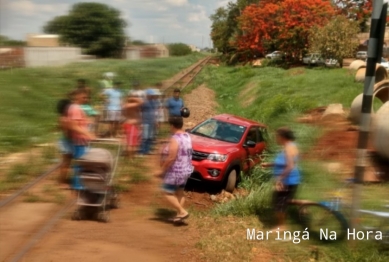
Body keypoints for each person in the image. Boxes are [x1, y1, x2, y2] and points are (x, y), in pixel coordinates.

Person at [155, 116, 193, 223]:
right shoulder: (187, 136)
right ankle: (179, 217)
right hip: (186, 170)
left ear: (172, 125)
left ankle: (182, 211)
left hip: (176, 171)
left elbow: (172, 157)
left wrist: (162, 170)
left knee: (167, 192)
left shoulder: (175, 138)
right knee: (180, 192)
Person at [261, 127, 300, 231]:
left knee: (279, 204)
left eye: (277, 136)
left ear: (282, 137)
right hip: (291, 180)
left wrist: (280, 179)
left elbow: (290, 166)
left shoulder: (288, 148)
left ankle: (281, 226)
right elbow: (284, 163)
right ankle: (302, 206)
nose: (276, 138)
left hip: (288, 181)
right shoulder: (291, 146)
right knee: (281, 201)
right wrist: (269, 164)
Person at [67, 89, 96, 190]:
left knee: (81, 162)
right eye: (84, 97)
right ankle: (78, 184)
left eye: (86, 97)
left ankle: (78, 183)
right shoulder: (75, 108)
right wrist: (88, 134)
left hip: (80, 139)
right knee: (81, 162)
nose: (86, 99)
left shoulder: (74, 107)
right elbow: (74, 126)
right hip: (80, 140)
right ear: (77, 96)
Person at [122, 91, 144, 160]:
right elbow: (142, 102)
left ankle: (131, 156)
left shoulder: (129, 105)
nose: (136, 98)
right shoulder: (129, 105)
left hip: (134, 125)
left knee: (133, 142)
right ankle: (130, 158)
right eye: (134, 96)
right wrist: (133, 98)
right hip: (131, 125)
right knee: (130, 143)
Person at [56, 98, 72, 185]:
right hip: (67, 143)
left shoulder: (65, 118)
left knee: (67, 163)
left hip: (67, 142)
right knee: (66, 163)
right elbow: (67, 134)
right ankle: (61, 181)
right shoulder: (63, 119)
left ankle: (63, 179)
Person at [139, 89, 157, 155]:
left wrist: (155, 121)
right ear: (147, 95)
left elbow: (154, 112)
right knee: (145, 137)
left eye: (152, 95)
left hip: (151, 122)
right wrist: (141, 121)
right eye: (150, 95)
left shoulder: (154, 102)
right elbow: (140, 111)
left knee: (150, 137)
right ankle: (142, 151)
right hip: (145, 122)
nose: (152, 96)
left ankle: (147, 150)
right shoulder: (144, 102)